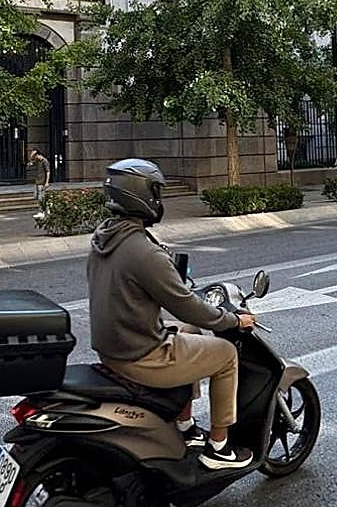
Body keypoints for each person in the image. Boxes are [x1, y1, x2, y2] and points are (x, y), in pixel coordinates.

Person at [87, 158, 257, 470]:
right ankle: (219, 448)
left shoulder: (105, 237)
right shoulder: (144, 252)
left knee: (188, 331)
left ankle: (185, 426)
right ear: (141, 195)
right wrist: (234, 319)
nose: (159, 199)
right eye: (156, 192)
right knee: (226, 354)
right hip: (140, 355)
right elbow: (186, 305)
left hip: (113, 347)